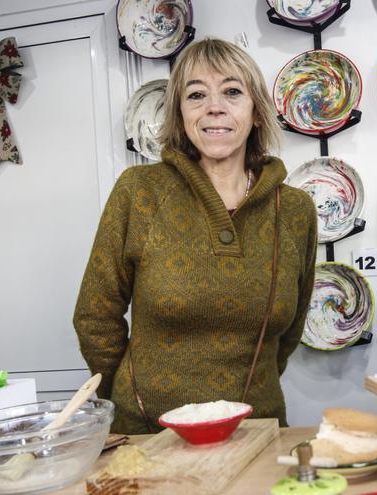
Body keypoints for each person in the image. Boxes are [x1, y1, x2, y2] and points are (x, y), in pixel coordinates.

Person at [73, 38, 318, 434]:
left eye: (232, 92)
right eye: (196, 95)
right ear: (180, 115)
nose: (214, 107)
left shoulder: (294, 210)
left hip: (257, 430)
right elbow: (94, 316)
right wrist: (130, 391)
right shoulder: (139, 191)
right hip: (148, 433)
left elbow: (289, 331)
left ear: (256, 111)